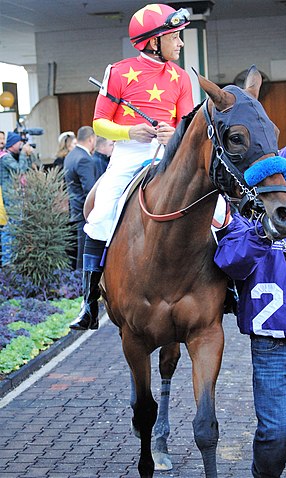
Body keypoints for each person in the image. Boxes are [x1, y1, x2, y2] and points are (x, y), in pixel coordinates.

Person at [70, 3, 194, 331]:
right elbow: (99, 125)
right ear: (154, 41)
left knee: (219, 206)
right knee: (99, 217)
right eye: (175, 37)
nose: (180, 43)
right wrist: (129, 131)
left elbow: (187, 123)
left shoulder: (181, 77)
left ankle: (229, 288)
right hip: (128, 155)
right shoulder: (118, 72)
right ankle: (88, 304)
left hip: (170, 154)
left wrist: (176, 132)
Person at [214, 143, 286, 478]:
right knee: (278, 434)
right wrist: (264, 233)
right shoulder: (249, 220)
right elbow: (229, 262)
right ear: (281, 179)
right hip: (274, 349)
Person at [64, 126, 96, 270]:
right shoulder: (84, 159)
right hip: (85, 211)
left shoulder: (70, 155)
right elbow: (90, 190)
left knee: (80, 251)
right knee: (84, 253)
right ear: (91, 139)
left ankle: (77, 282)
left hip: (75, 208)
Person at [0, 132, 30, 265]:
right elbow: (20, 169)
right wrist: (23, 153)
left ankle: (11, 260)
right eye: (19, 143)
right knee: (9, 229)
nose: (21, 146)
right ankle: (7, 262)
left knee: (12, 228)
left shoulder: (8, 156)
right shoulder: (5, 157)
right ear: (13, 144)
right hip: (9, 200)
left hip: (12, 198)